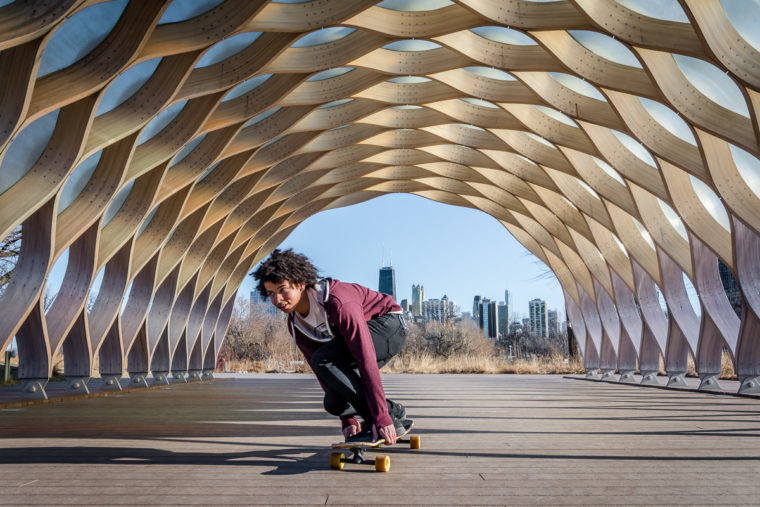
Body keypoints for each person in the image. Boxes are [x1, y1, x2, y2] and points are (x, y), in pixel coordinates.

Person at [252, 248, 409, 444]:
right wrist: (347, 419)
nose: (277, 299)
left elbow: (365, 358)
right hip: (353, 345)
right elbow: (321, 371)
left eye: (283, 289)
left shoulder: (337, 301)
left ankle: (384, 419)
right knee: (334, 403)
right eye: (271, 293)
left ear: (301, 284)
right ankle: (394, 411)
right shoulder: (296, 324)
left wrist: (381, 418)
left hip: (389, 327)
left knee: (324, 358)